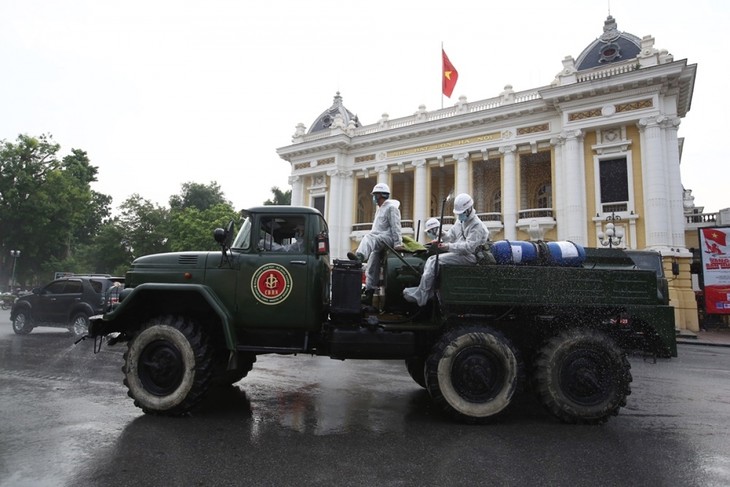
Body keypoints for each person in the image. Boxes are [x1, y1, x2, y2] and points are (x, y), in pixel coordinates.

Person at [403, 193, 488, 307]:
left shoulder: (477, 226)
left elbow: (469, 248)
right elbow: (450, 236)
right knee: (432, 259)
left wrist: (448, 247)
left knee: (434, 261)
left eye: (461, 213)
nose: (459, 216)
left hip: (471, 257)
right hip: (460, 253)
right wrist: (439, 234)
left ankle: (422, 295)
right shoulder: (461, 221)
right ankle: (424, 291)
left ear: (469, 210)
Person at [347, 182, 403, 304]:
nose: (373, 197)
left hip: (387, 238)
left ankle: (359, 256)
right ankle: (369, 293)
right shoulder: (379, 210)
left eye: (375, 195)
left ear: (380, 195)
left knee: (369, 237)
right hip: (379, 239)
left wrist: (398, 243)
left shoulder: (391, 208)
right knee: (372, 265)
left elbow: (396, 226)